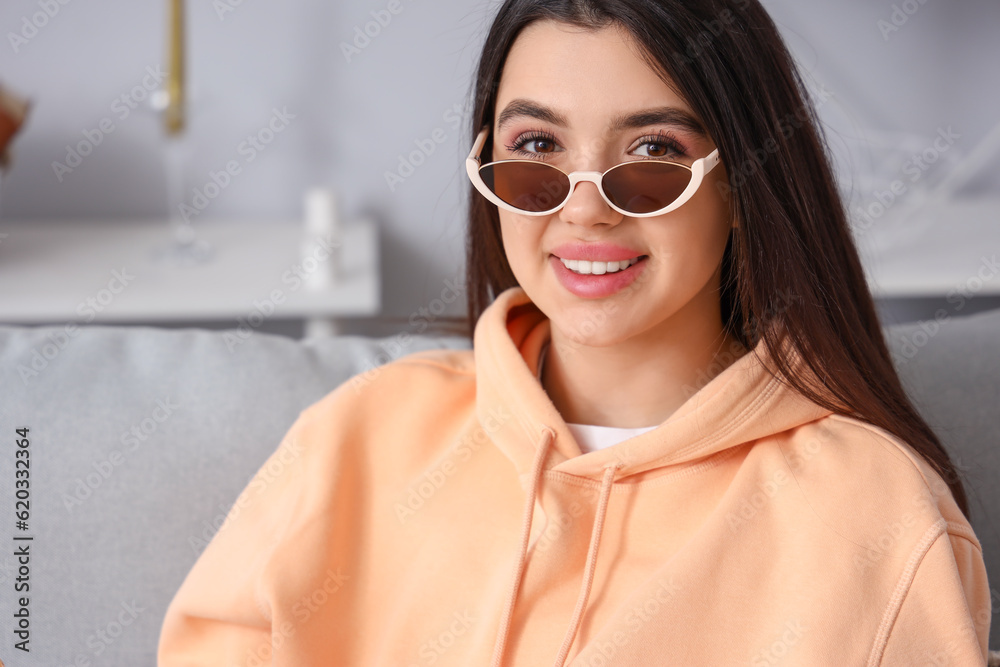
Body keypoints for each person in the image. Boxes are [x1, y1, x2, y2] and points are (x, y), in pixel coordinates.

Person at [157, 0, 993, 664]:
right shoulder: (358, 436)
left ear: (741, 183)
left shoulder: (875, 512)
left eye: (652, 153)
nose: (583, 206)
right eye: (536, 149)